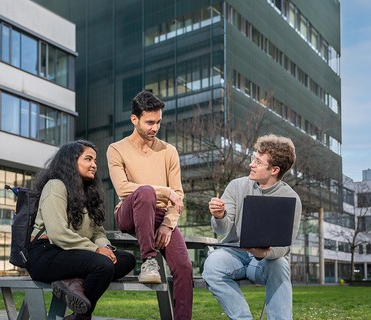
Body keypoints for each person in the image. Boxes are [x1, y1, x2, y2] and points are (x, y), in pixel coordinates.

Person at [106, 90, 193, 320]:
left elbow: (179, 195)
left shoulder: (169, 151)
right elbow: (123, 188)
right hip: (129, 212)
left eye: (158, 122)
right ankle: (149, 260)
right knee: (144, 192)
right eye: (149, 122)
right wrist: (164, 191)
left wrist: (167, 224)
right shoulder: (116, 149)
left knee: (184, 269)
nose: (155, 127)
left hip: (159, 216)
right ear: (134, 119)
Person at [26, 140, 136, 320]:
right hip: (46, 253)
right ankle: (81, 317)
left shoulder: (88, 194)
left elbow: (98, 233)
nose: (94, 165)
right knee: (103, 265)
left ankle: (74, 282)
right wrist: (96, 250)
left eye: (95, 160)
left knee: (126, 260)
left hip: (74, 254)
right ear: (71, 160)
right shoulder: (55, 186)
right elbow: (58, 233)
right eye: (88, 159)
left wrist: (105, 248)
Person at [202, 134, 302, 320]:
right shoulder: (236, 186)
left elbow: (285, 246)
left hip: (265, 260)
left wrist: (263, 254)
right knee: (212, 264)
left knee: (280, 266)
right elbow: (222, 230)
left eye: (257, 161)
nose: (251, 164)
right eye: (253, 159)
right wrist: (220, 216)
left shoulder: (291, 199)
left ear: (274, 170)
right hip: (234, 253)